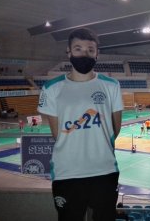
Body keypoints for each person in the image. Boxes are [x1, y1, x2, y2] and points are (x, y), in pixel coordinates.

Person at [37, 28, 123, 221]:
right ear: (69, 52)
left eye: (90, 50)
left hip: (104, 170)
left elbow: (115, 129)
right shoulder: (51, 88)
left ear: (97, 54)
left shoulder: (111, 85)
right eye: (78, 49)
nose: (85, 54)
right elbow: (57, 133)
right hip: (67, 172)